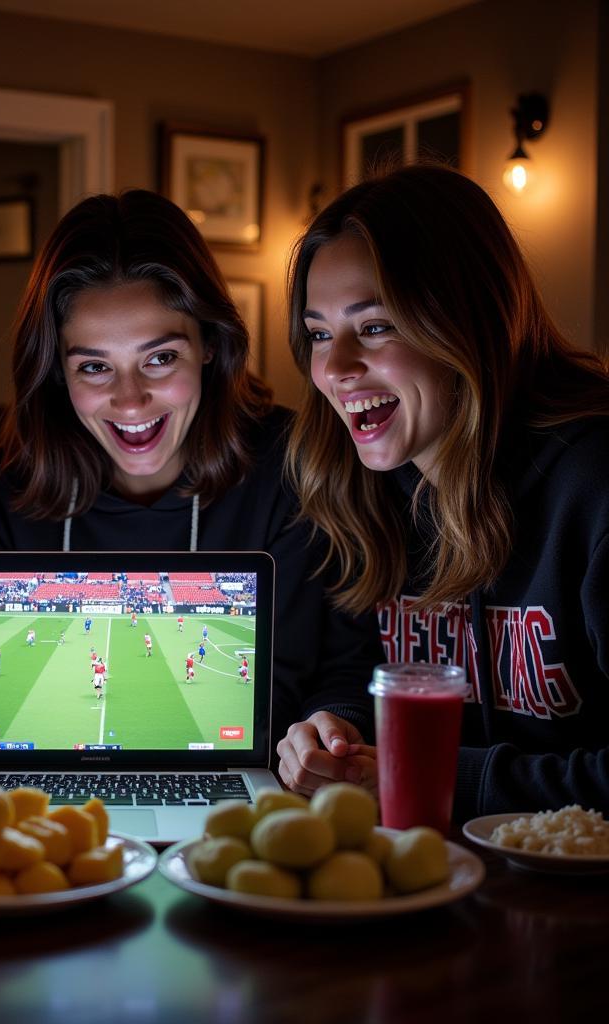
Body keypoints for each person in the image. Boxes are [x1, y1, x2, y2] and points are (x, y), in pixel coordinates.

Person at [0, 189, 381, 754]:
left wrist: (331, 729)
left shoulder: (296, 465)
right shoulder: (2, 494)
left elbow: (345, 667)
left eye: (160, 358)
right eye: (94, 367)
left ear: (209, 344)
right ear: (57, 374)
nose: (132, 400)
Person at [279, 163, 609, 817]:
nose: (336, 368)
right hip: (432, 879)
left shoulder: (593, 485)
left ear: (466, 320)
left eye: (374, 326)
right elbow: (358, 665)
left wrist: (439, 779)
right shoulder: (367, 490)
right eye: (319, 335)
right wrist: (336, 735)